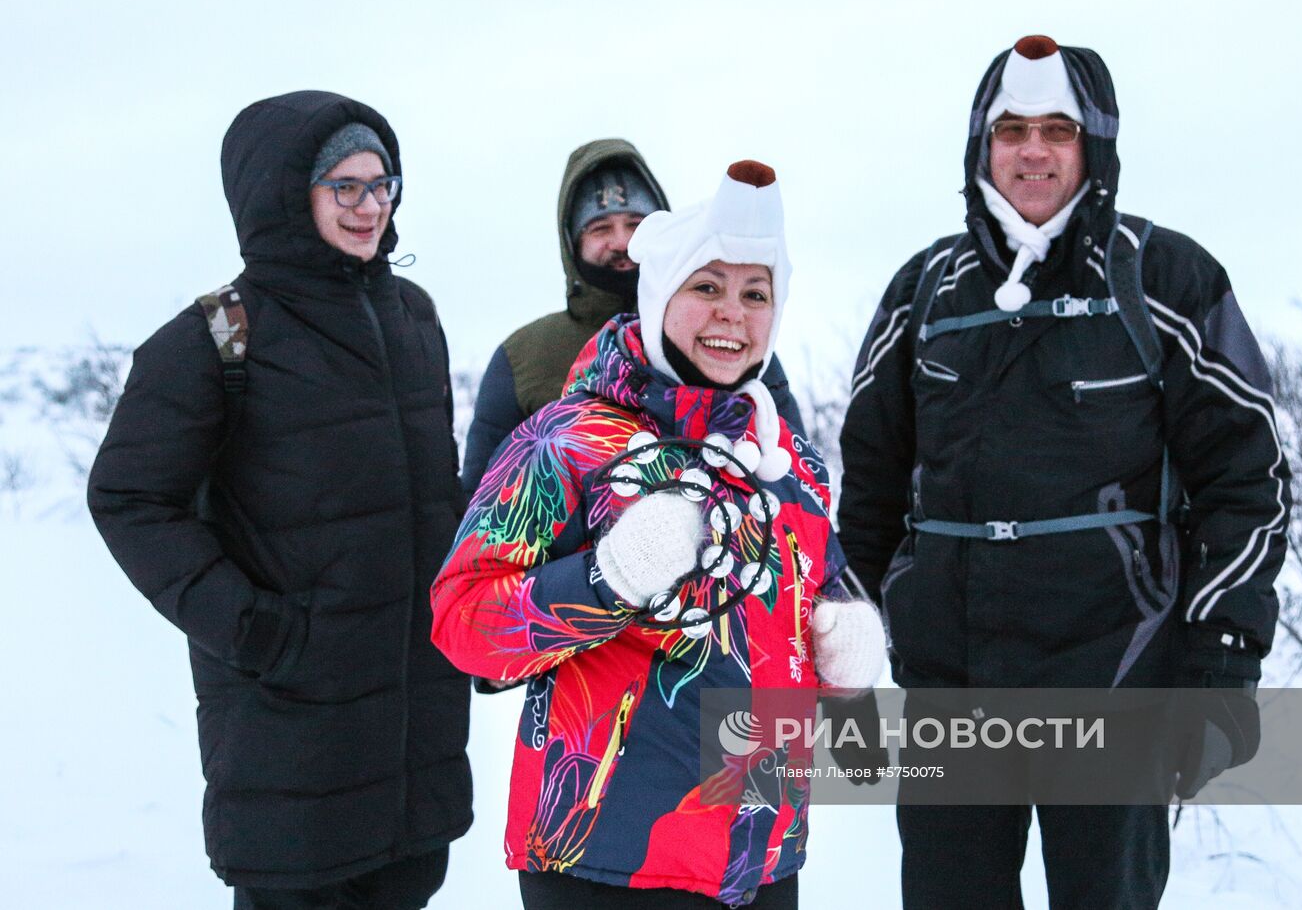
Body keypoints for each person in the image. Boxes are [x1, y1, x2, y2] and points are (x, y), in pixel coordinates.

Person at [837, 36, 1291, 908]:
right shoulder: (922, 291)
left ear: (1094, 145)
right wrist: (848, 650)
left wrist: (1222, 656)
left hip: (1116, 675)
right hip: (950, 685)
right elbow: (870, 489)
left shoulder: (1164, 277)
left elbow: (1247, 479)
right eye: (1012, 130)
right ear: (983, 145)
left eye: (1057, 129)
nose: (1034, 150)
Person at [432, 161, 886, 908]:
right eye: (706, 286)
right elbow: (461, 620)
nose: (730, 314)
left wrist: (843, 656)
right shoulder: (568, 441)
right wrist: (604, 580)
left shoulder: (788, 464)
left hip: (761, 859)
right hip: (607, 864)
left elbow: (813, 611)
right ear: (659, 294)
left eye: (754, 293)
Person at [88, 91, 473, 909]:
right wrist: (255, 628)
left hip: (412, 744)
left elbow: (431, 494)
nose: (372, 206)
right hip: (290, 746)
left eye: (383, 184)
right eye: (346, 186)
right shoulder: (216, 337)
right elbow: (126, 497)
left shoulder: (413, 318)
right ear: (282, 192)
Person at [459, 139, 804, 503]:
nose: (622, 241)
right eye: (601, 228)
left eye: (635, 224)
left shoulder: (733, 351)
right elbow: (482, 507)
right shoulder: (525, 355)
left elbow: (797, 491)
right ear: (571, 242)